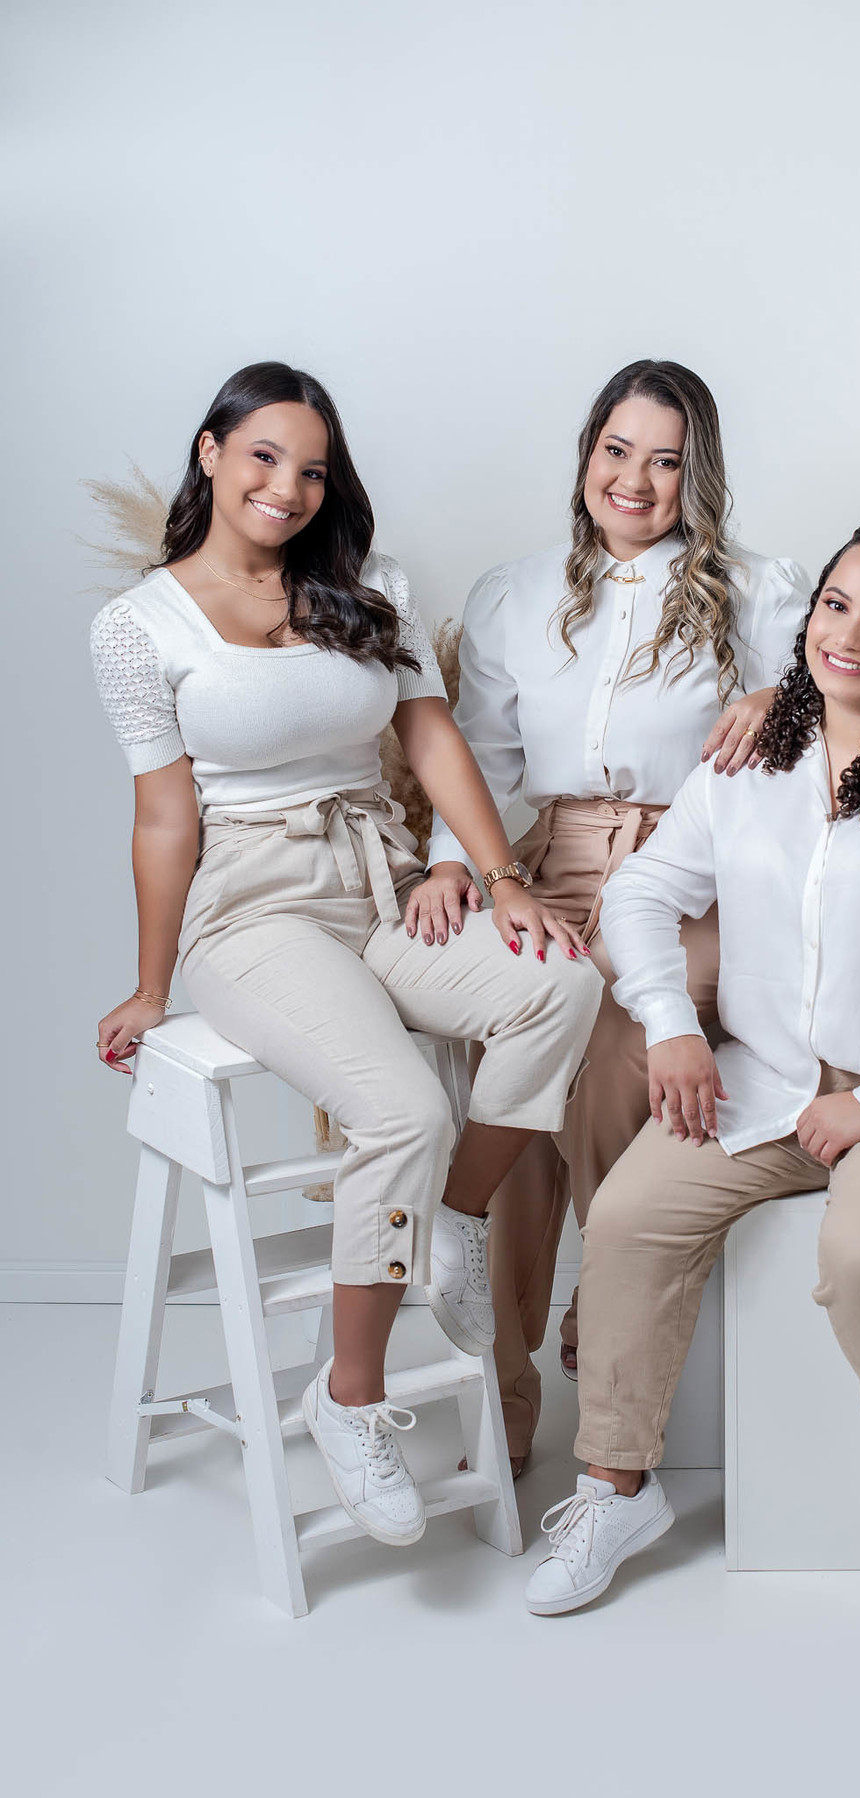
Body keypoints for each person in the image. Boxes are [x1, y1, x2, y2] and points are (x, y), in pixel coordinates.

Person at [91, 361, 601, 1551]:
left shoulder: (370, 585)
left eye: (313, 470)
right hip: (251, 908)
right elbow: (164, 819)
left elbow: (429, 738)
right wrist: (153, 985)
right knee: (403, 1110)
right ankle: (349, 1396)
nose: (288, 488)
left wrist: (499, 877)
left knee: (561, 985)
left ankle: (458, 1216)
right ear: (211, 451)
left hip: (381, 880)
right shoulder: (139, 627)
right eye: (264, 456)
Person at [526, 516, 860, 1614]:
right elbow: (643, 892)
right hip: (779, 1077)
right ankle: (615, 1487)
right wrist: (670, 1022)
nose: (849, 637)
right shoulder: (755, 761)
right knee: (629, 1215)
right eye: (835, 606)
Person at [410, 359, 809, 1469]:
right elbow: (481, 755)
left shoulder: (759, 590)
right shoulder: (514, 591)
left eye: (666, 461)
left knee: (618, 1044)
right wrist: (451, 863)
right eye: (616, 450)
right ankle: (505, 1379)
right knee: (513, 1061)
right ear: (587, 454)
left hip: (691, 875)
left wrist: (782, 696)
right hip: (545, 861)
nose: (634, 479)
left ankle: (611, 1289)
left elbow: (844, 698)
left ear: (699, 475)